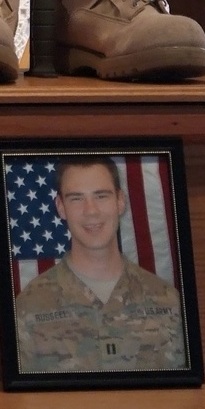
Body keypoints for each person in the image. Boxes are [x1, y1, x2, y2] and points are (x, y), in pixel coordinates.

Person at [15, 155, 186, 374]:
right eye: (76, 198)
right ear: (61, 207)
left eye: (101, 196)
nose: (91, 211)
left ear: (120, 201)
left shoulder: (168, 303)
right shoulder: (28, 308)